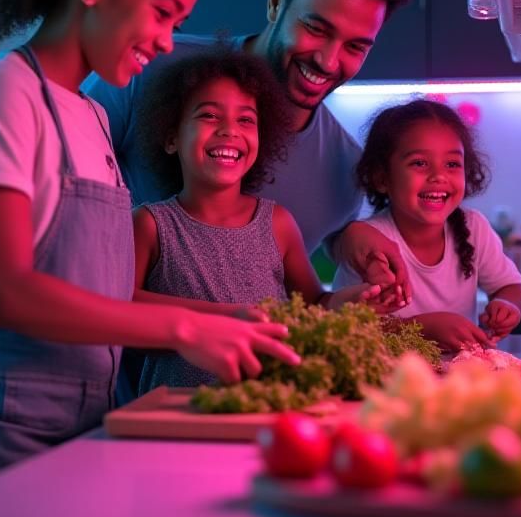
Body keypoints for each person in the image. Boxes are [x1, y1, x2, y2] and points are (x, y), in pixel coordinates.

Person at [0, 0, 300, 486]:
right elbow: (4, 292)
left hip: (89, 413)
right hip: (7, 415)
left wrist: (237, 321)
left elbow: (102, 293)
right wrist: (178, 325)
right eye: (163, 12)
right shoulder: (1, 90)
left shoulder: (87, 114)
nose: (169, 40)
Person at [82, 0, 420, 276]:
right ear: (276, 1)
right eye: (316, 28)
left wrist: (352, 240)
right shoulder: (150, 68)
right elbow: (62, 178)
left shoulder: (346, 171)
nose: (328, 60)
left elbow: (323, 250)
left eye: (355, 46)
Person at [131, 49, 396, 391]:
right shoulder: (150, 224)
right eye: (209, 115)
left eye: (246, 120)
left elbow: (315, 304)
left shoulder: (277, 223)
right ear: (171, 138)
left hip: (268, 404)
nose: (230, 131)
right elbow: (124, 305)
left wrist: (353, 300)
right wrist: (230, 317)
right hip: (177, 409)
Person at [332, 99, 521, 353]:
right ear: (382, 178)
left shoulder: (474, 228)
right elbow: (350, 327)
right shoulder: (369, 243)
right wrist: (422, 329)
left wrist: (507, 305)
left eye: (452, 164)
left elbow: (512, 287)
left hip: (461, 379)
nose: (439, 176)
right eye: (419, 163)